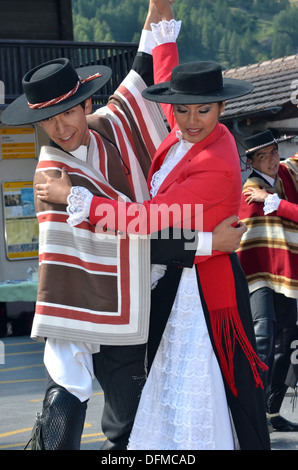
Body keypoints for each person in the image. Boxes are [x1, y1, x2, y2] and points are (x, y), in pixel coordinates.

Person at [1, 0, 244, 451]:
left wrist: (159, 11)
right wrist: (209, 241)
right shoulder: (52, 176)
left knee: (132, 421)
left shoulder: (109, 125)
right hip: (86, 297)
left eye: (69, 111)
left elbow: (143, 69)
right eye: (48, 118)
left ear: (85, 103)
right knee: (71, 391)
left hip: (139, 299)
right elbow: (126, 240)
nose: (61, 126)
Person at [237, 130, 298, 432]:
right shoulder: (249, 193)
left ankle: (272, 412)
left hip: (287, 274)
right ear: (251, 162)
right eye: (263, 156)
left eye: (274, 152)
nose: (272, 160)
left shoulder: (287, 176)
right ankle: (253, 415)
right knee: (263, 339)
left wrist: (273, 199)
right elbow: (244, 241)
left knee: (287, 340)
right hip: (258, 275)